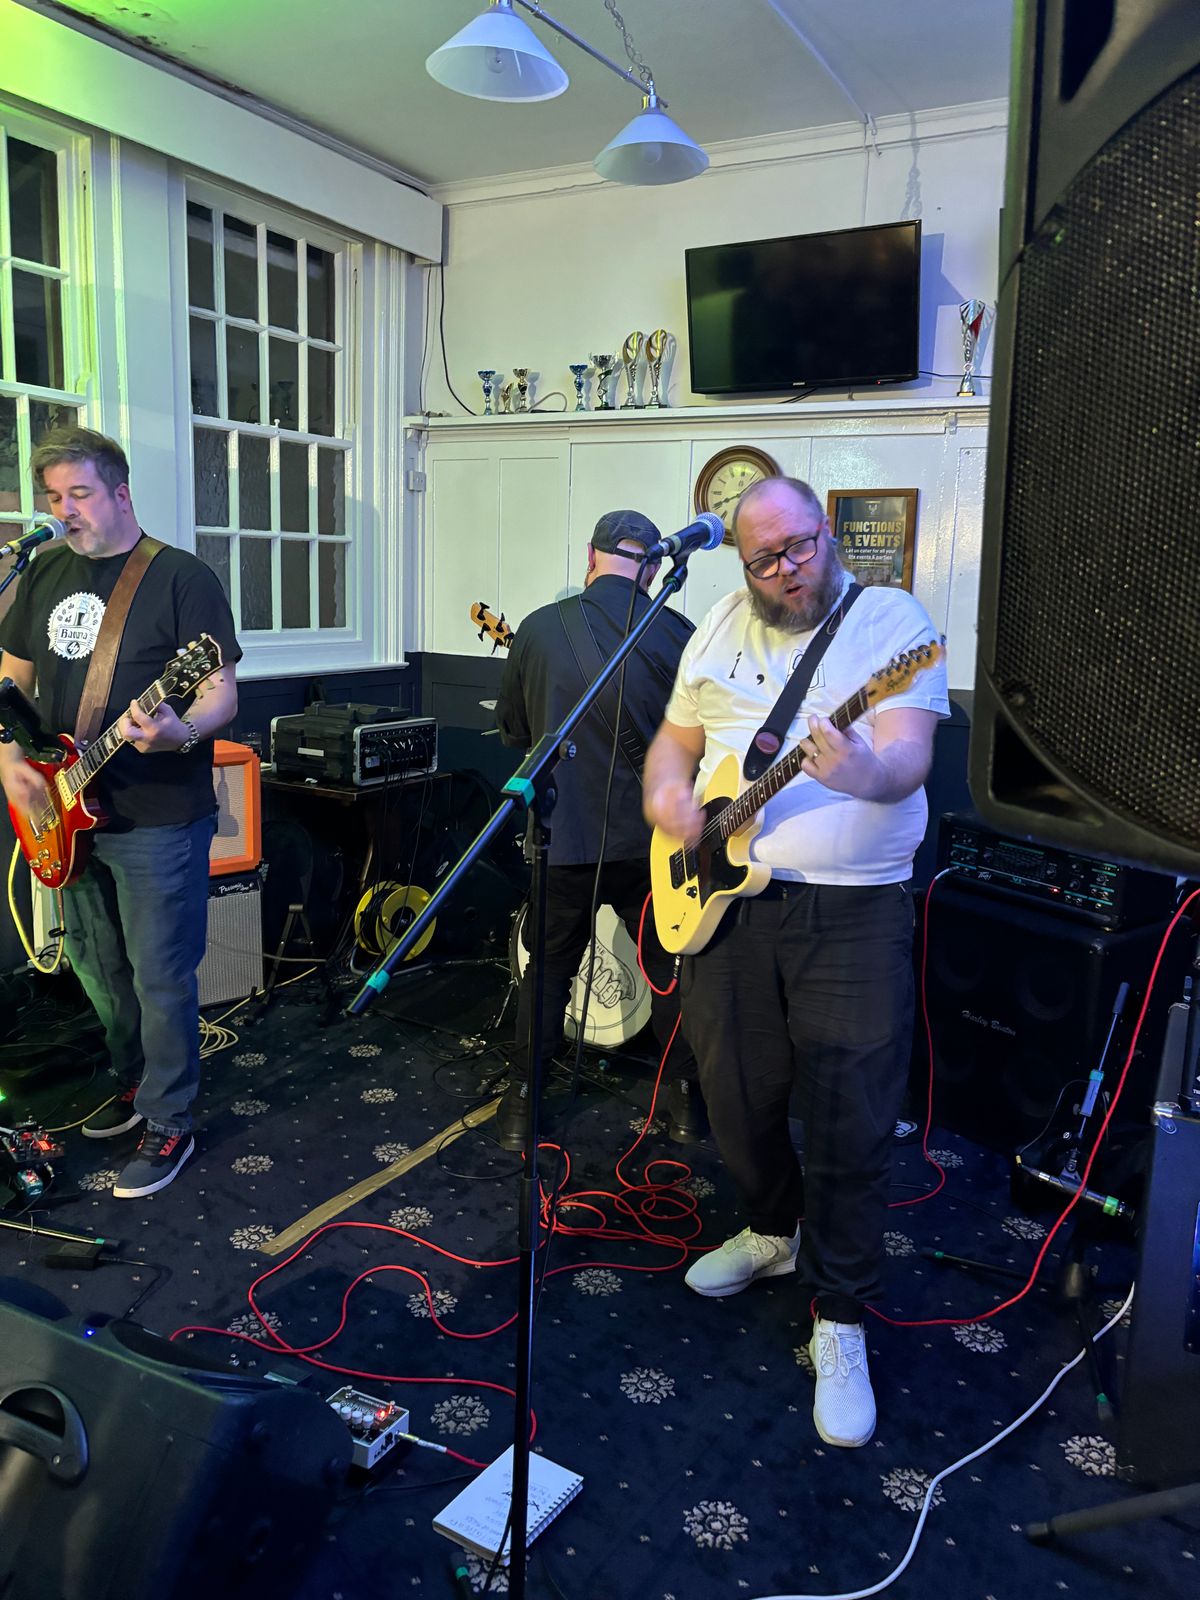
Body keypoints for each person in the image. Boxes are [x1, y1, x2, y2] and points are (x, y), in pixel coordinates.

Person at [642, 475, 949, 1449]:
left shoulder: (893, 625)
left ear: (827, 533)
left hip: (851, 914)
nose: (789, 569)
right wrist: (666, 799)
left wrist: (860, 771)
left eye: (802, 546)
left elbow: (907, 757)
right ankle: (774, 1229)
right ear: (741, 562)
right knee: (734, 1090)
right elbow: (673, 745)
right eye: (766, 557)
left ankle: (842, 1315)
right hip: (729, 906)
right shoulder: (714, 627)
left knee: (851, 1114)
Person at [0, 427, 241, 1199]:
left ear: (121, 492)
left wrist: (179, 732)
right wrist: (10, 760)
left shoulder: (181, 578)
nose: (64, 510)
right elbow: (13, 678)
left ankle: (171, 1120)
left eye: (79, 493)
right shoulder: (42, 571)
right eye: (54, 497)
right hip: (65, 806)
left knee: (161, 975)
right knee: (97, 966)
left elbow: (219, 694)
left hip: (158, 813)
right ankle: (135, 1081)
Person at [494, 509, 703, 1152]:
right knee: (669, 973)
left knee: (548, 972)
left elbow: (517, 734)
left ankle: (521, 1106)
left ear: (591, 557)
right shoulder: (679, 633)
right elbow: (703, 741)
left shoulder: (536, 628)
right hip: (654, 845)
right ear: (652, 567)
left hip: (565, 837)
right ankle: (683, 1103)